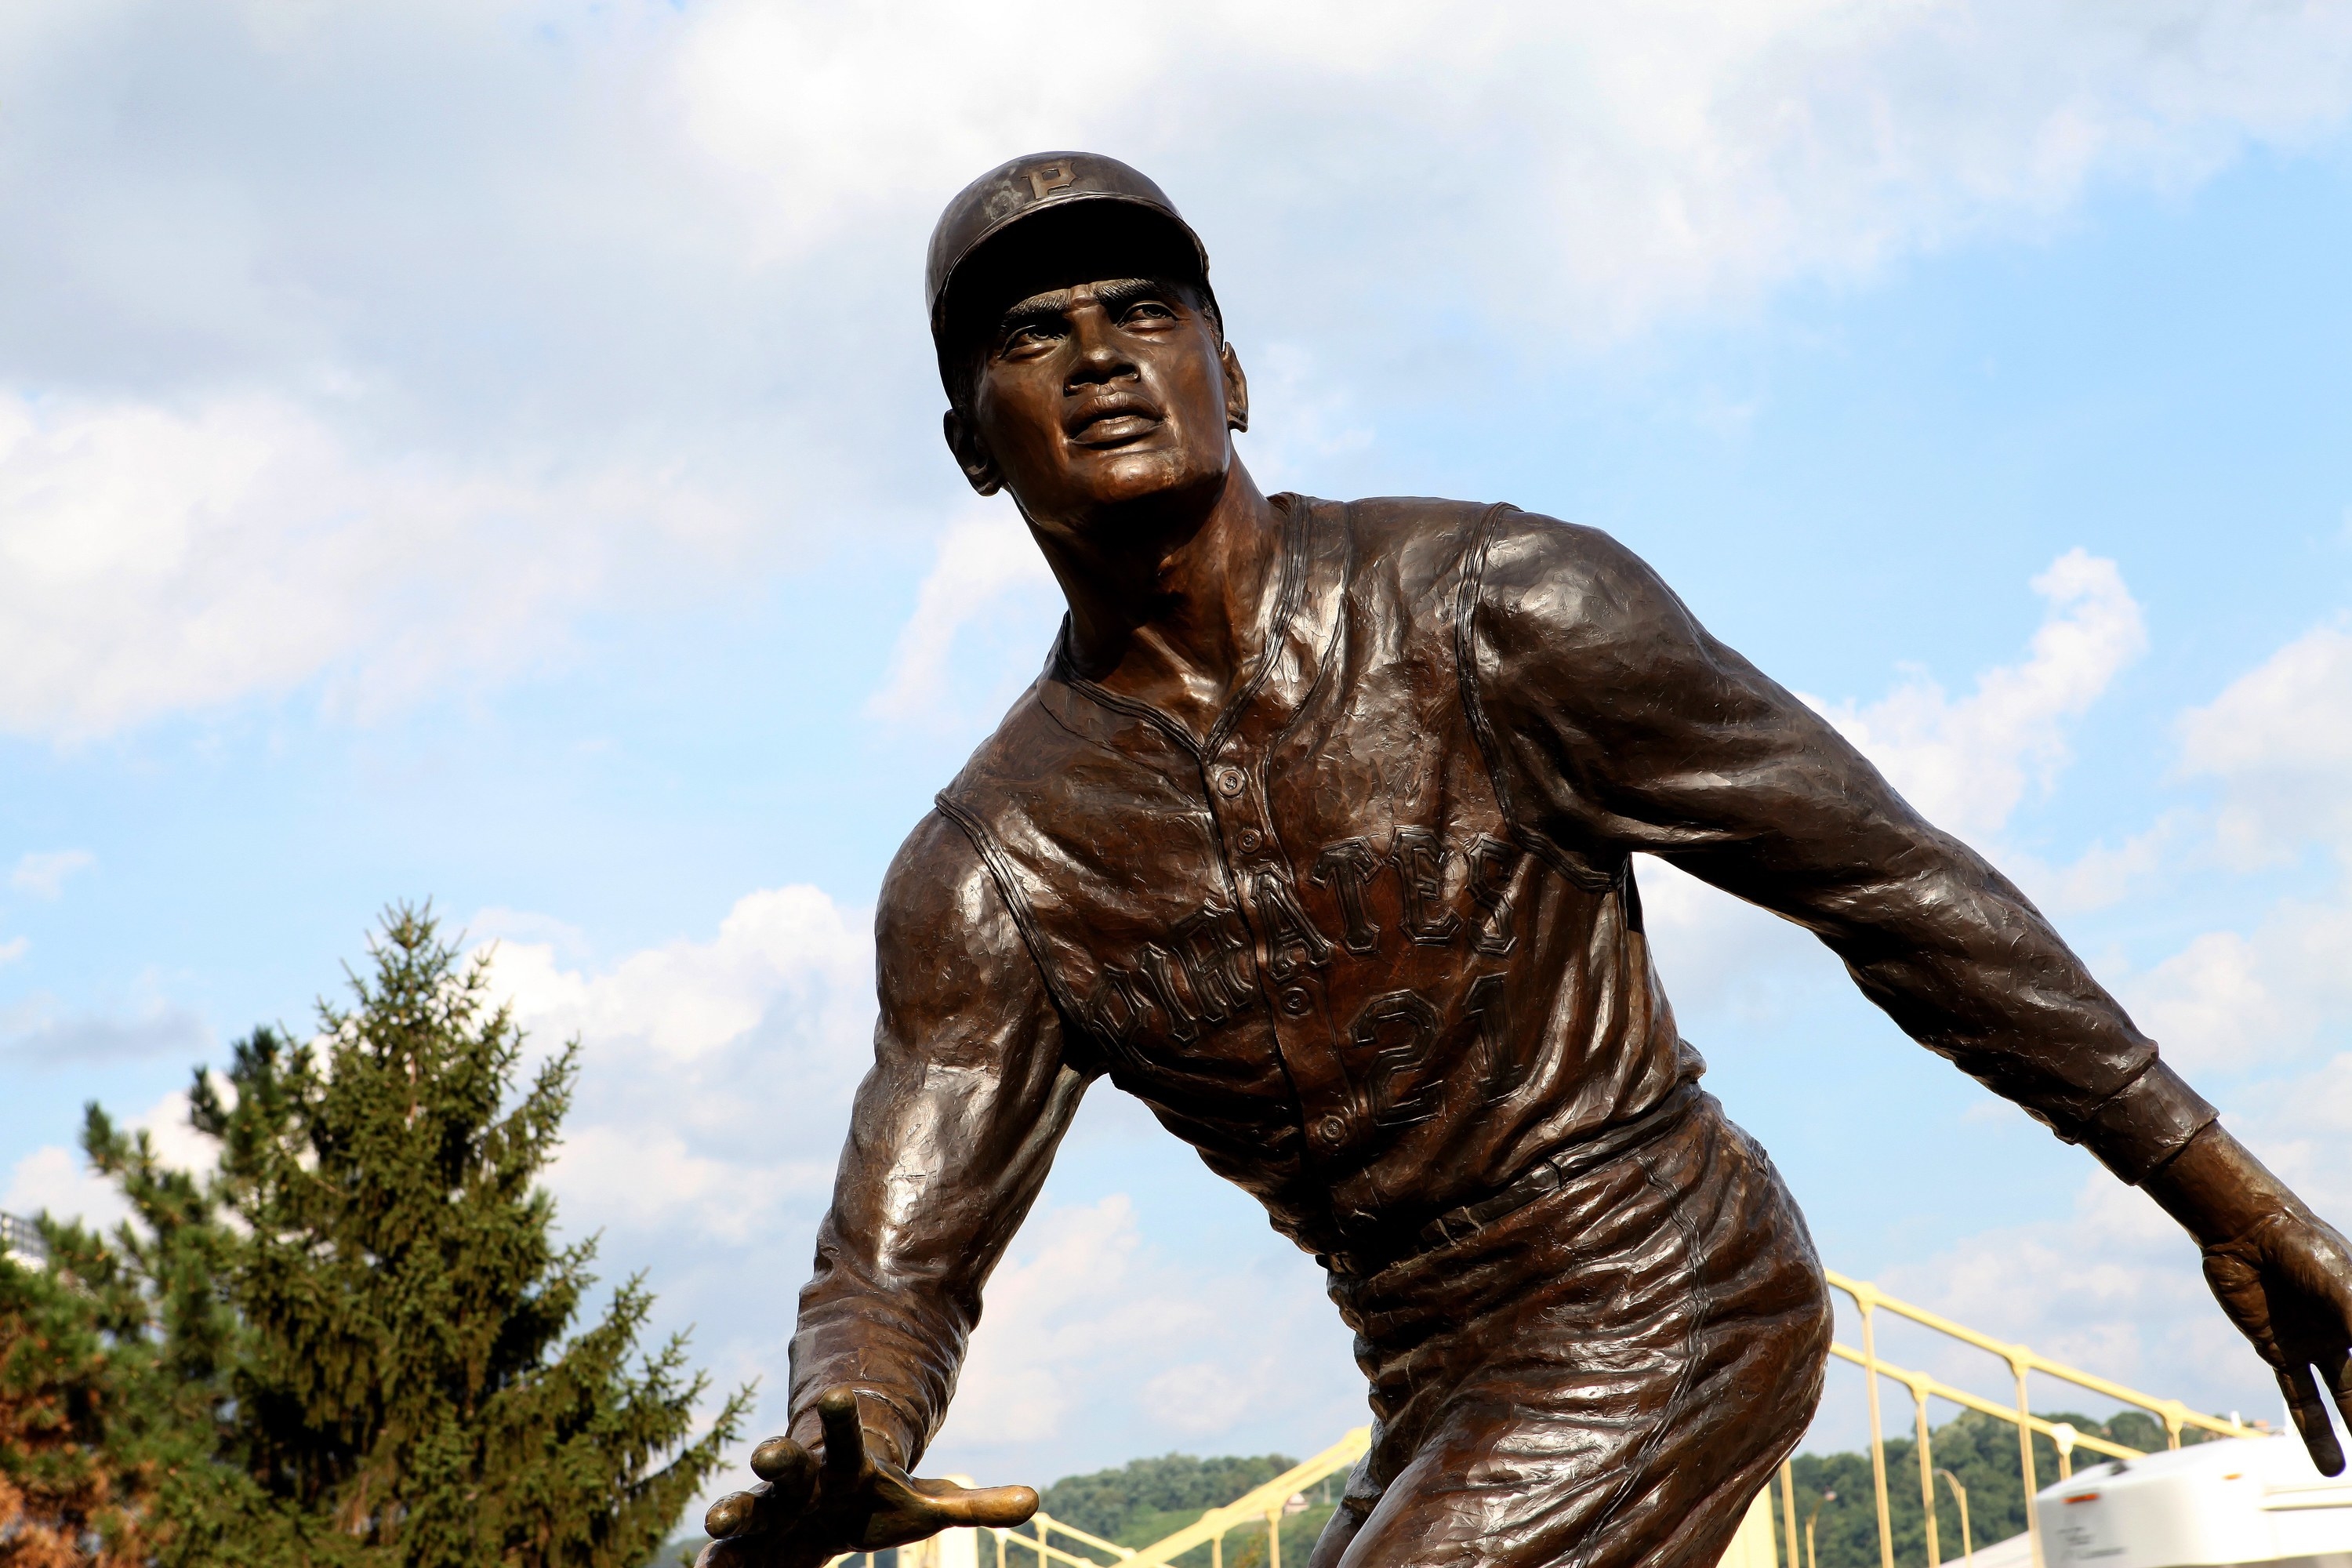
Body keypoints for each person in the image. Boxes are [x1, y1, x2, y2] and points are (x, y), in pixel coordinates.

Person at [699, 153, 2352, 1568]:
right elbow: (893, 1266)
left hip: (1669, 1279)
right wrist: (846, 1423)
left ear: (1236, 372)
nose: (1101, 355)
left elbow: (1890, 887)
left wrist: (2219, 1188)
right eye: (1033, 333)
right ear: (973, 444)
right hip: (1433, 1381)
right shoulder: (992, 870)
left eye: (1145, 309)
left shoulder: (1502, 606)